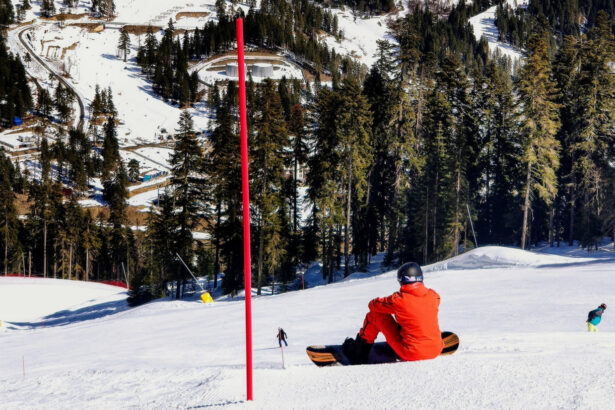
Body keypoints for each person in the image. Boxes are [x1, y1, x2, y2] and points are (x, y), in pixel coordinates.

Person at [342, 262, 443, 365]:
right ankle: (429, 342)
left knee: (374, 315)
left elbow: (372, 305)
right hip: (436, 350)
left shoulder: (398, 300)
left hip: (410, 353)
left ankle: (359, 353)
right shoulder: (434, 296)